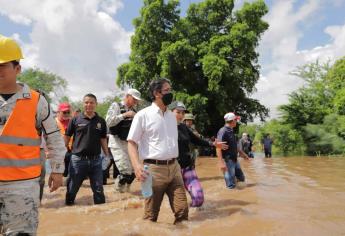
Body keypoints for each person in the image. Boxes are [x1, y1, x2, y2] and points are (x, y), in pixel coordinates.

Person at [0, 35, 65, 235]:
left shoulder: (36, 101)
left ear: (17, 69)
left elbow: (54, 137)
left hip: (22, 185)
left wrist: (57, 169)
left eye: (2, 65)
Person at [127, 78, 189, 224]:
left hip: (174, 169)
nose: (170, 93)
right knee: (150, 217)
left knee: (183, 212)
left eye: (170, 90)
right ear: (156, 93)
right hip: (152, 171)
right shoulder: (142, 115)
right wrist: (137, 167)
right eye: (167, 90)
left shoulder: (172, 117)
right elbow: (131, 143)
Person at [170, 101, 227, 207]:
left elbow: (197, 140)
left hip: (187, 167)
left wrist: (213, 144)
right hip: (171, 169)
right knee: (178, 203)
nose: (181, 115)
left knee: (199, 198)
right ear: (169, 112)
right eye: (178, 112)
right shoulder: (163, 127)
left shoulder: (184, 127)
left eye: (183, 113)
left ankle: (196, 218)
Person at [64, 93, 110, 205]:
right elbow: (67, 136)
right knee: (72, 189)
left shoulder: (101, 121)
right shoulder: (75, 120)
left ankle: (100, 214)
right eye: (86, 102)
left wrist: (107, 155)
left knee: (99, 190)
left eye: (91, 102)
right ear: (83, 103)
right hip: (78, 160)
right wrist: (62, 153)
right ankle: (68, 208)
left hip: (96, 161)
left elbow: (103, 139)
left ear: (96, 104)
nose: (88, 105)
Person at [106, 89, 141, 192]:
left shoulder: (135, 111)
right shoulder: (116, 105)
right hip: (116, 142)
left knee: (135, 171)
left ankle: (126, 193)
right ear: (127, 96)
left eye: (137, 100)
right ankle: (117, 192)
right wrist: (124, 115)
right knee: (125, 171)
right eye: (134, 99)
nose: (136, 102)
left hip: (129, 143)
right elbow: (108, 121)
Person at [216, 112, 249, 189]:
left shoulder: (231, 131)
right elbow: (218, 147)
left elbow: (235, 146)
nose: (236, 122)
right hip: (228, 160)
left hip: (234, 159)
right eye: (236, 120)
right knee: (231, 185)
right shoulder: (223, 131)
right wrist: (221, 163)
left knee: (241, 178)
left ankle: (239, 193)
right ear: (233, 121)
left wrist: (243, 154)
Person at [55, 102, 73, 177]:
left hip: (71, 150)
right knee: (59, 172)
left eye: (68, 112)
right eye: (64, 112)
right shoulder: (54, 122)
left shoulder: (72, 122)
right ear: (58, 112)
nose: (66, 114)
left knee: (70, 172)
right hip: (58, 151)